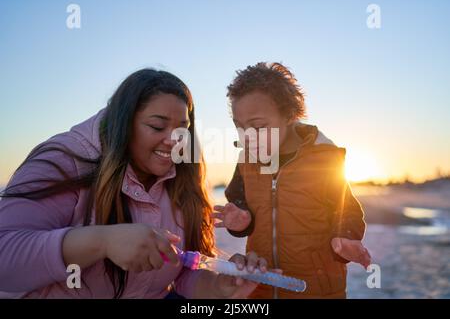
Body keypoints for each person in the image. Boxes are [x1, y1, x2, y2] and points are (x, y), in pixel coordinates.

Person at [0, 68, 267, 299]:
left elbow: (183, 271)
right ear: (123, 124)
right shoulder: (65, 160)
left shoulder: (184, 181)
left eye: (181, 130)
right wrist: (102, 242)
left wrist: (219, 288)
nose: (174, 140)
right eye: (156, 126)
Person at [213, 62, 371, 299]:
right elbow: (240, 202)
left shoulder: (323, 160)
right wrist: (242, 220)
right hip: (261, 286)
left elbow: (348, 211)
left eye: (258, 127)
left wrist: (344, 239)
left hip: (316, 290)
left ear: (288, 115)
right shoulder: (246, 161)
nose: (248, 138)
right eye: (240, 127)